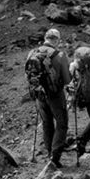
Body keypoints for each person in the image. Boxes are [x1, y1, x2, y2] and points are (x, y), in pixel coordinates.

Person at [31, 28, 71, 168]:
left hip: (39, 94)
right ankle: (55, 156)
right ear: (56, 40)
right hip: (55, 94)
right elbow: (67, 80)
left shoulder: (32, 53)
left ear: (45, 38)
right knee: (62, 123)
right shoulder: (59, 55)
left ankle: (49, 153)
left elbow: (29, 75)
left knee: (47, 123)